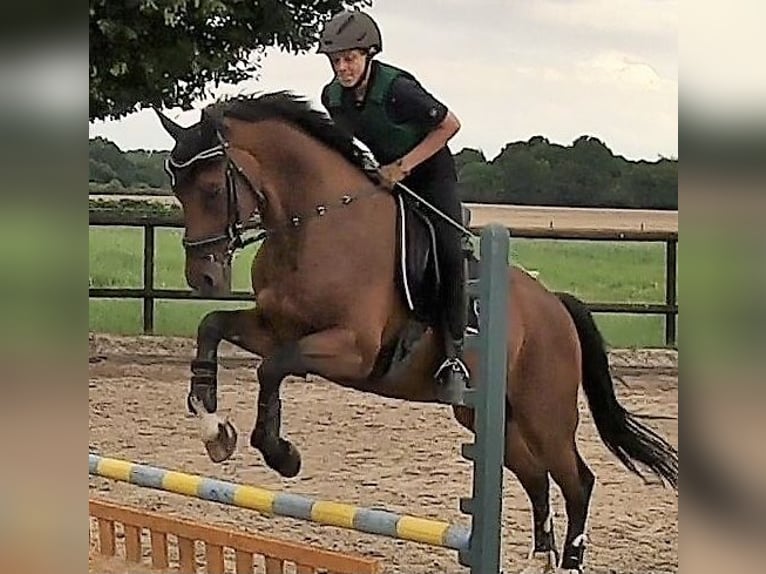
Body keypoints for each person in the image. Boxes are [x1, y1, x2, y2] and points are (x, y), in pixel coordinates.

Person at [317, 9, 469, 386]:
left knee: (448, 248)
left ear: (369, 54)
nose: (342, 68)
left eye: (349, 58)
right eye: (336, 61)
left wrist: (403, 167)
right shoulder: (332, 98)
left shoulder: (398, 89)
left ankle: (454, 354)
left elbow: (450, 125)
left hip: (431, 174)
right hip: (385, 178)